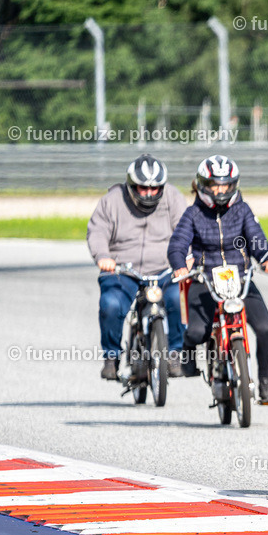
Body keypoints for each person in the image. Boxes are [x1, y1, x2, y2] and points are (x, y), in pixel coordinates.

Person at [168, 154, 268, 405]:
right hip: (204, 280)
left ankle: (264, 380)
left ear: (233, 185)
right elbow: (177, 244)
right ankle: (185, 355)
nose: (220, 190)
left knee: (265, 328)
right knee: (197, 332)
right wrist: (178, 266)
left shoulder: (242, 209)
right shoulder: (193, 213)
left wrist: (267, 259)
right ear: (202, 185)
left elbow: (257, 238)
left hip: (240, 280)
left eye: (225, 185)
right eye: (215, 185)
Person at [87, 154, 187, 380]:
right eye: (143, 188)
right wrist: (103, 256)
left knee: (178, 300)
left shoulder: (172, 197)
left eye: (155, 188)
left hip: (165, 268)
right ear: (131, 186)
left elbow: (186, 229)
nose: (150, 193)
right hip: (123, 270)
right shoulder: (113, 200)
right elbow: (98, 231)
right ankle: (111, 357)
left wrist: (187, 256)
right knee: (111, 305)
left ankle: (175, 353)